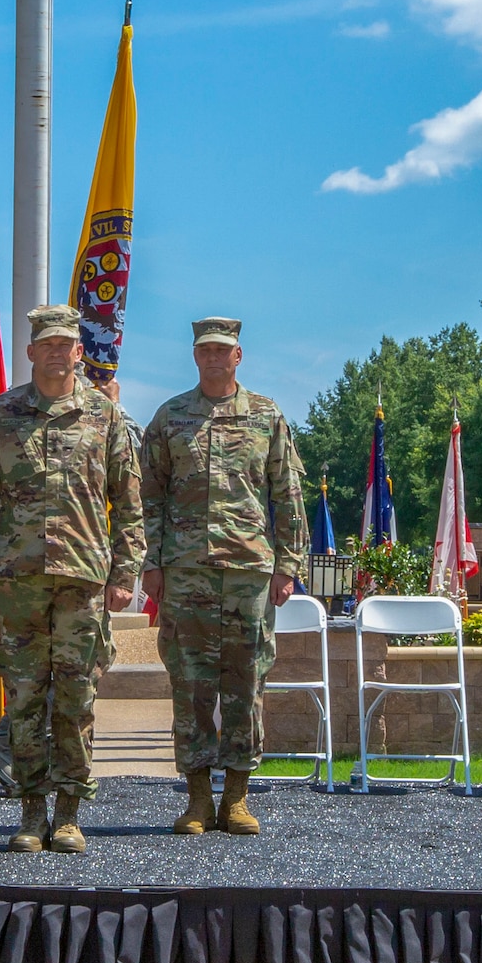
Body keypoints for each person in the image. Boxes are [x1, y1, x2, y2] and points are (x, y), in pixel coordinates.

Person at [0, 305, 144, 853]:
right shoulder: (3, 414)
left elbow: (129, 501)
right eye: (48, 344)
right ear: (32, 352)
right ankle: (30, 810)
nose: (58, 352)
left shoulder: (103, 416)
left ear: (79, 352)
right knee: (24, 696)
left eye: (67, 343)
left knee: (76, 697)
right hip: (16, 582)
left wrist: (124, 570)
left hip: (83, 580)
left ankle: (68, 812)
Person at [140, 317, 308, 835]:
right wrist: (152, 561)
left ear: (239, 357)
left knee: (246, 683)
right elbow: (147, 497)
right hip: (186, 571)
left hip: (249, 571)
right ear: (195, 357)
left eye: (223, 351)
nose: (214, 358)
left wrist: (289, 564)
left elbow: (288, 495)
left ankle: (236, 798)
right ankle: (196, 800)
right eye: (205, 351)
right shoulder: (170, 418)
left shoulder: (266, 416)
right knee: (190, 686)